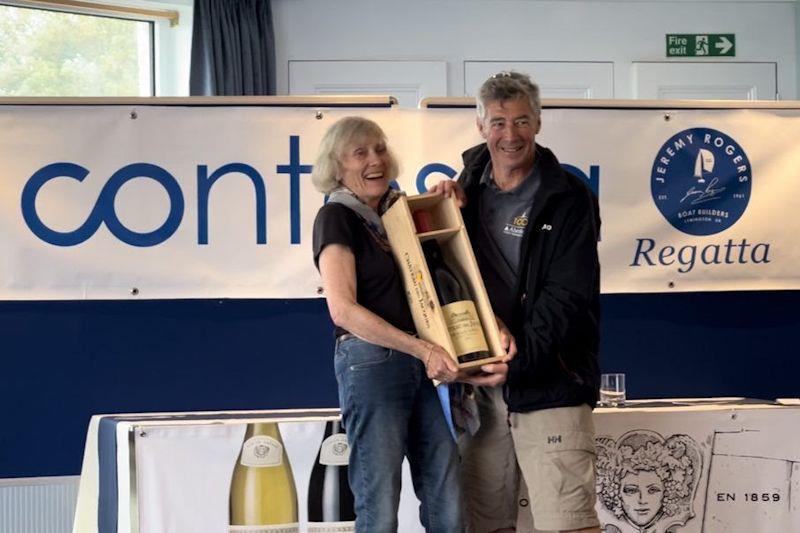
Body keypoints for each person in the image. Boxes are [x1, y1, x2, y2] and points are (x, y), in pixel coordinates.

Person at [311, 116, 508, 533]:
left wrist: (453, 197)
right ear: (337, 166)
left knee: (448, 497)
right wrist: (422, 349)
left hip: (427, 362)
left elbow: (446, 280)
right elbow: (342, 310)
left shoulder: (398, 213)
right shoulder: (336, 218)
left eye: (380, 148)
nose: (375, 159)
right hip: (373, 362)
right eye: (360, 152)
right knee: (379, 505)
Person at [433, 71, 602, 533]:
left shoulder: (568, 198)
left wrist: (521, 358)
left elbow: (569, 296)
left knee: (567, 524)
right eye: (499, 122)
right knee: (485, 525)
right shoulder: (466, 191)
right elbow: (446, 281)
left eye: (522, 121)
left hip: (551, 387)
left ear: (539, 122)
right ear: (480, 125)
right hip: (483, 392)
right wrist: (439, 212)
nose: (511, 135)